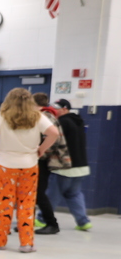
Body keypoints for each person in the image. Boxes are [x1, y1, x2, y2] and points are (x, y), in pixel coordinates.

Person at [0, 88, 58, 252]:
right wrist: (42, 149)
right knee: (27, 204)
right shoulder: (37, 116)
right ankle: (26, 243)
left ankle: (0, 241)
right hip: (29, 165)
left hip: (4, 165)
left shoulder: (2, 115)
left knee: (4, 204)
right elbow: (54, 133)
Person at [49, 98, 92, 231]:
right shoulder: (78, 121)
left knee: (53, 195)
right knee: (74, 194)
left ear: (65, 109)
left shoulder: (62, 122)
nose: (54, 110)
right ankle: (83, 221)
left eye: (57, 108)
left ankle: (42, 219)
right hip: (81, 167)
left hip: (65, 167)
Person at [31, 93, 68, 235]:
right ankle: (28, 222)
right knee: (33, 194)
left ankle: (52, 223)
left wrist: (39, 152)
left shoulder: (45, 116)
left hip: (42, 161)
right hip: (40, 160)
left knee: (39, 193)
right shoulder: (46, 115)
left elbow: (53, 140)